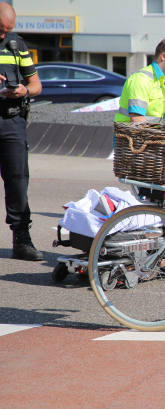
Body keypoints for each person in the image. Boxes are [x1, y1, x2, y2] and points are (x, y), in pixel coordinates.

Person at [0, 2, 43, 261]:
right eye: (0, 30)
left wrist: (24, 90)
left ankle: (22, 240)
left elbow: (36, 84)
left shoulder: (16, 44)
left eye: (8, 31)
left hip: (12, 120)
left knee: (18, 181)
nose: (4, 36)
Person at [114, 37, 165, 125]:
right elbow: (137, 120)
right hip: (127, 137)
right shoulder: (141, 80)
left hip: (147, 136)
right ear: (164, 56)